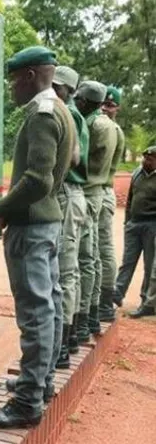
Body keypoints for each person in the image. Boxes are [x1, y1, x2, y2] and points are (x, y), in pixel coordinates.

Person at [0, 46, 75, 429]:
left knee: (35, 315)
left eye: (14, 80)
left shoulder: (42, 115)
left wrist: (2, 208)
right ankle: (40, 381)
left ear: (31, 75)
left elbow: (38, 180)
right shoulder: (61, 111)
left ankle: (27, 403)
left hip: (31, 226)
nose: (11, 88)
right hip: (47, 223)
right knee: (48, 307)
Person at [73, 81, 119, 342]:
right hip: (100, 190)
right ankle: (95, 310)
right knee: (95, 256)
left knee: (86, 259)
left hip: (90, 191)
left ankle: (87, 315)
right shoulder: (112, 127)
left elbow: (83, 159)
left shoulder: (93, 125)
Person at [51, 66, 89, 368]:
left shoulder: (70, 114)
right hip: (73, 193)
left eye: (58, 86)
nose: (53, 90)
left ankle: (63, 345)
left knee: (65, 271)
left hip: (68, 190)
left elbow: (72, 158)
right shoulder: (72, 111)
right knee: (71, 269)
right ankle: (69, 337)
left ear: (70, 90)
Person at [112, 146, 156, 312]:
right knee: (127, 262)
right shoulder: (137, 173)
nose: (146, 161)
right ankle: (117, 295)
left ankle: (146, 302)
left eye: (150, 159)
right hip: (134, 225)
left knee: (149, 265)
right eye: (145, 158)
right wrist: (127, 222)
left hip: (152, 226)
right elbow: (130, 199)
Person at [97, 86, 125, 322]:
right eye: (103, 104)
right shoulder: (110, 129)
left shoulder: (109, 130)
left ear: (117, 108)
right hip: (101, 192)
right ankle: (102, 300)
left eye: (111, 105)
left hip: (102, 190)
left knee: (103, 249)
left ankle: (105, 301)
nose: (106, 109)